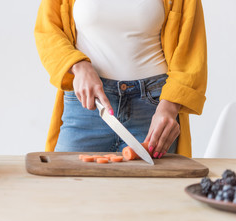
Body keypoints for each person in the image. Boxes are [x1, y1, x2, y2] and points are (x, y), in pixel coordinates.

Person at [34, 0, 207, 158]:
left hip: (153, 112)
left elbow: (191, 50)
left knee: (154, 191)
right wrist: (78, 65)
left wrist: (170, 107)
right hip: (88, 105)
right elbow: (47, 30)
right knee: (66, 188)